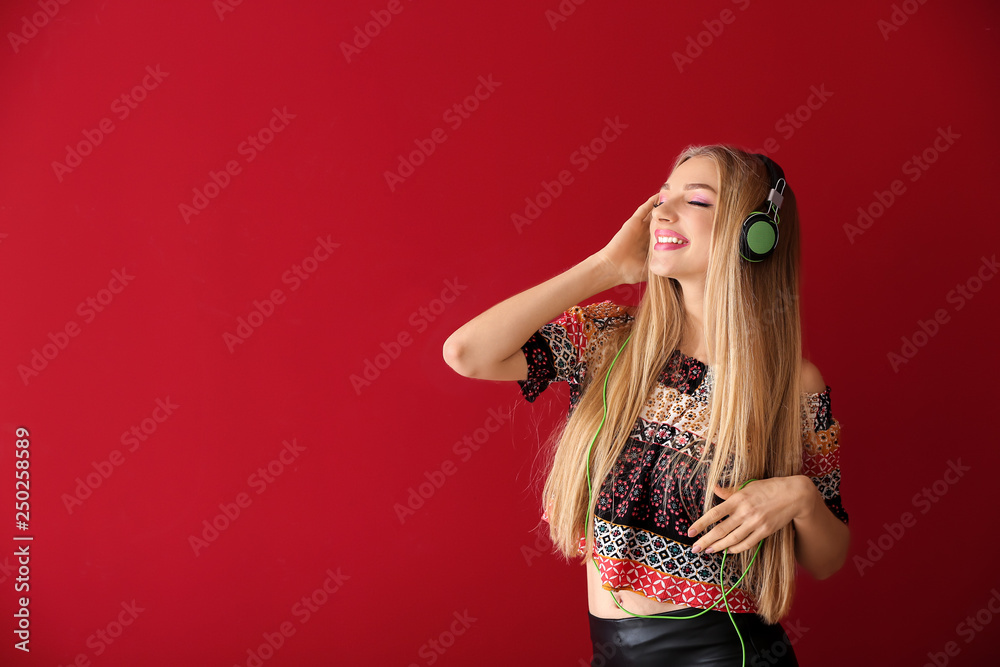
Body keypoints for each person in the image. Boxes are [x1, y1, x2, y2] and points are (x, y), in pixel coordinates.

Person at [442, 145, 850, 666]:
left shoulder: (790, 386)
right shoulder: (610, 340)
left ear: (756, 233)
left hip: (727, 653)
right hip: (613, 654)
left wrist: (800, 497)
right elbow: (467, 353)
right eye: (663, 197)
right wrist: (606, 265)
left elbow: (828, 558)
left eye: (696, 201)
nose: (662, 210)